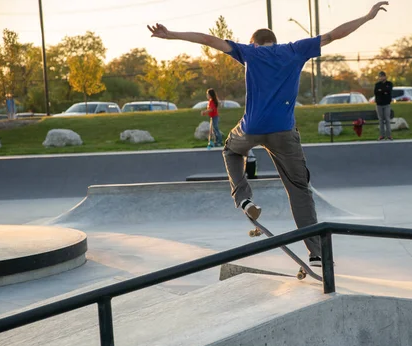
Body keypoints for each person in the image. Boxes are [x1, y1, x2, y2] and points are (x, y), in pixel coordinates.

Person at [148, 1, 389, 267]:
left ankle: (244, 199)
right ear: (274, 41)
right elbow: (334, 34)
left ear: (254, 43)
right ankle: (316, 251)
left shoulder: (248, 53)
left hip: (251, 130)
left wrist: (171, 35)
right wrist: (367, 17)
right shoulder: (295, 50)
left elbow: (208, 39)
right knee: (298, 188)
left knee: (230, 150)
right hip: (284, 131)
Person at [374, 71, 393, 140]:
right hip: (379, 104)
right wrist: (383, 91)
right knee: (381, 120)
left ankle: (389, 135)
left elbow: (388, 90)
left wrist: (382, 91)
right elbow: (376, 92)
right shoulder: (377, 85)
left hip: (387, 104)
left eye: (382, 76)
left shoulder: (389, 84)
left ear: (385, 76)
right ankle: (382, 135)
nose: (381, 78)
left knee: (387, 119)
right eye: (380, 76)